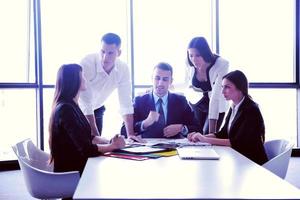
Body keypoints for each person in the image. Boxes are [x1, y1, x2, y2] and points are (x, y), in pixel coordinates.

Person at [49, 64, 126, 175]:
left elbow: (84, 138)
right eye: (83, 76)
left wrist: (108, 141)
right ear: (74, 81)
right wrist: (113, 146)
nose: (85, 79)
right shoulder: (66, 109)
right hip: (71, 173)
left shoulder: (72, 105)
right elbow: (86, 149)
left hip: (78, 166)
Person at [188, 70, 268, 165]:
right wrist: (199, 136)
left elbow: (237, 142)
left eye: (227, 87)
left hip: (252, 162)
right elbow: (223, 133)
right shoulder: (234, 106)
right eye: (222, 87)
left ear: (240, 88)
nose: (222, 91)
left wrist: (205, 139)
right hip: (238, 157)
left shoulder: (251, 109)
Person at [78, 33, 139, 141]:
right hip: (77, 109)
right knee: (85, 145)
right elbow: (85, 103)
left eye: (110, 53)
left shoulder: (123, 69)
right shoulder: (87, 63)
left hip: (97, 108)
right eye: (103, 51)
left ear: (119, 53)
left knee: (95, 150)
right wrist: (98, 138)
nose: (105, 57)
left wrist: (131, 135)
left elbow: (125, 103)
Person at [121, 62, 199, 138]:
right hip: (147, 148)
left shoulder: (181, 101)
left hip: (174, 148)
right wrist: (144, 123)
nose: (160, 83)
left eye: (165, 79)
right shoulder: (139, 101)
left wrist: (181, 128)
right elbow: (124, 131)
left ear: (171, 81)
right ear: (152, 78)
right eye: (157, 78)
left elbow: (197, 128)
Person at [184, 36, 229, 134]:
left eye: (198, 55)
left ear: (205, 53)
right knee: (194, 134)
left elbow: (215, 97)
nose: (194, 59)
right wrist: (166, 86)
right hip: (197, 102)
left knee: (206, 135)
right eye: (191, 55)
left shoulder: (222, 64)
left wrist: (211, 134)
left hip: (216, 103)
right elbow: (185, 83)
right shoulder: (188, 62)